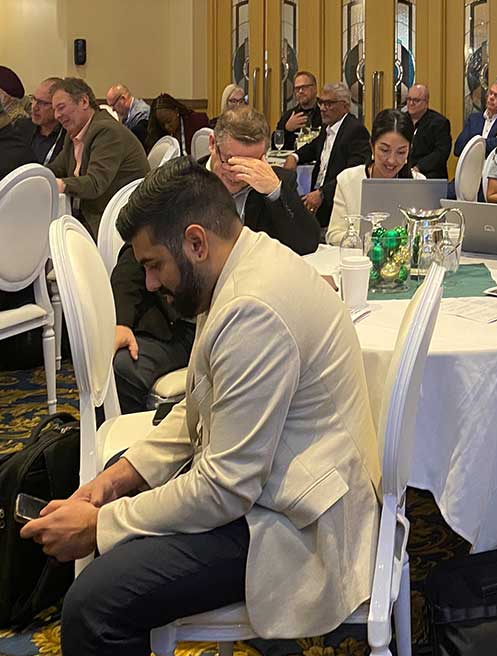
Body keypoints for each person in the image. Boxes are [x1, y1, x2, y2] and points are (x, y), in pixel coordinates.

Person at [23, 159, 381, 656]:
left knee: (96, 605)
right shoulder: (241, 263)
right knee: (120, 481)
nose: (149, 284)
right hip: (278, 483)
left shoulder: (252, 308)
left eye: (154, 265)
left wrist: (103, 524)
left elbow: (225, 489)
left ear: (195, 242)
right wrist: (116, 481)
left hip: (301, 525)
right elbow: (197, 404)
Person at [109, 107, 321, 412]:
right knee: (124, 368)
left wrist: (275, 192)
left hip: (248, 322)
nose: (239, 173)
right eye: (231, 160)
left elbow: (307, 242)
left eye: (253, 162)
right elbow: (134, 258)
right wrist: (121, 321)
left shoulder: (273, 186)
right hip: (180, 320)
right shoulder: (181, 183)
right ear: (212, 146)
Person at [48, 78, 149, 238]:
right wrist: (35, 176)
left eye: (61, 108)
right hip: (91, 215)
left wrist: (59, 184)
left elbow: (95, 184)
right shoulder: (74, 132)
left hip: (117, 223)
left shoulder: (107, 131)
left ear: (84, 101)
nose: (57, 115)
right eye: (54, 110)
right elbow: (56, 169)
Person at [326, 109, 424, 244]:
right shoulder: (348, 179)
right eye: (384, 150)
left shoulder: (419, 183)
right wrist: (364, 241)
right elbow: (334, 235)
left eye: (401, 152)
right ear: (372, 146)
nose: (391, 160)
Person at [296, 82, 371, 228]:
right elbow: (314, 147)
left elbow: (352, 175)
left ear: (345, 106)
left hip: (335, 201)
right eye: (321, 102)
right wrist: (295, 157)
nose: (322, 108)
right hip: (318, 194)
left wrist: (322, 193)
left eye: (329, 104)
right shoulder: (328, 126)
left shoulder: (355, 131)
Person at [454, 77, 497, 157]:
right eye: (490, 93)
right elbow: (458, 148)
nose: (491, 97)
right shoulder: (474, 119)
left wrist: (474, 143)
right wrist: (490, 142)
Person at [406, 83, 452, 180]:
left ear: (426, 102)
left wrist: (419, 167)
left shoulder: (439, 123)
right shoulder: (401, 120)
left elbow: (441, 153)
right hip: (405, 174)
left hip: (430, 176)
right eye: (409, 99)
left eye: (416, 100)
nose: (411, 103)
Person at [144, 93, 211, 157]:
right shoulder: (158, 133)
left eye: (169, 121)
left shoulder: (196, 121)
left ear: (176, 111)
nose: (166, 126)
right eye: (162, 124)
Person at [276, 70, 321, 150]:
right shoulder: (289, 115)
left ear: (315, 88)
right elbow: (275, 145)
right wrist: (286, 129)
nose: (300, 91)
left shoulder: (325, 112)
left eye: (304, 87)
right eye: (297, 88)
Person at [28, 77, 66, 164]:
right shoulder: (21, 127)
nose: (34, 107)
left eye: (43, 103)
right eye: (34, 99)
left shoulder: (67, 137)